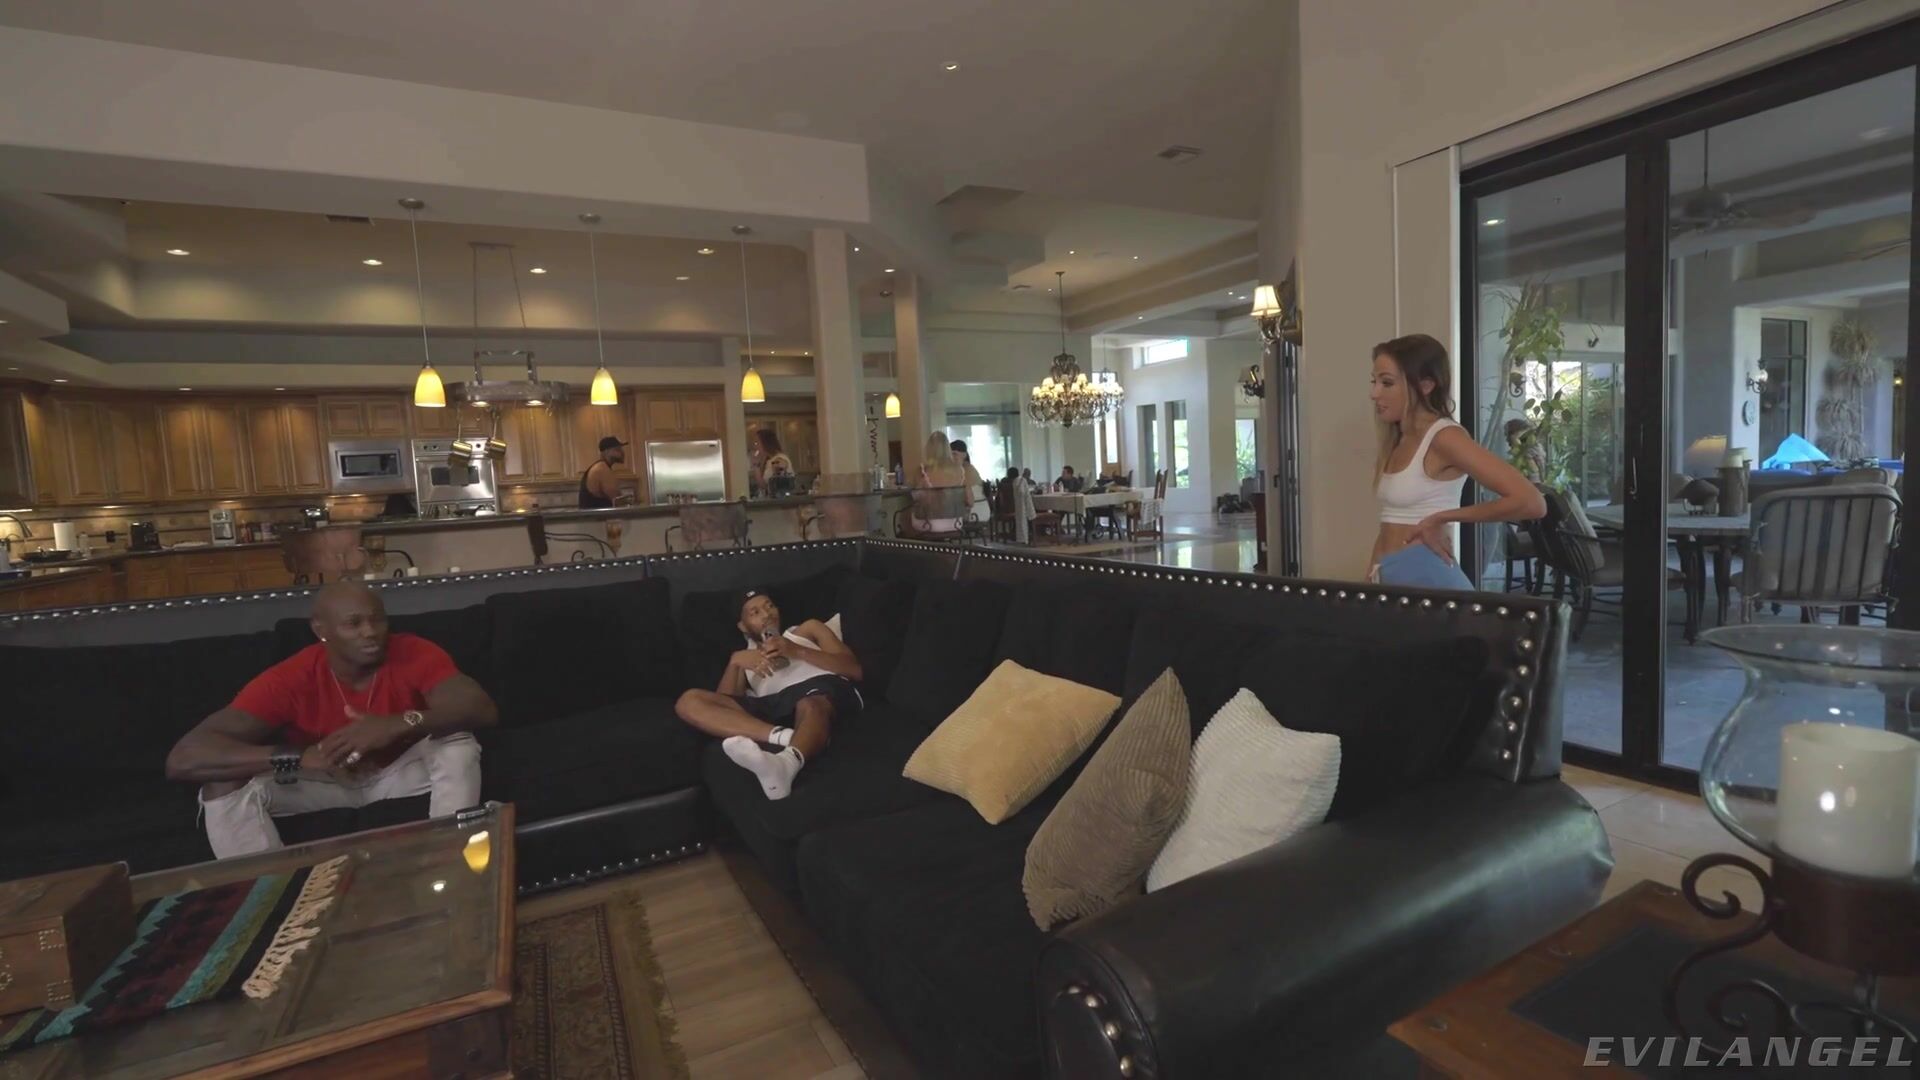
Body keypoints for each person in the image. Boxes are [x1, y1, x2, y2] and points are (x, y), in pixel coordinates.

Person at [165, 582, 497, 858]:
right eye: (353, 624)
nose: (370, 632)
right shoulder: (290, 678)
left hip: (397, 775)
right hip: (327, 780)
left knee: (457, 741)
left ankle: (449, 857)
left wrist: (398, 722)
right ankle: (269, 890)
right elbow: (183, 759)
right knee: (222, 784)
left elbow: (481, 708)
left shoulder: (413, 651)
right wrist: (299, 757)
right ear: (321, 631)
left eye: (378, 620)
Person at [1370, 333, 1545, 589]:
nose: (1374, 393)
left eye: (1387, 383)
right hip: (1390, 578)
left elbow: (1531, 502)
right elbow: (1389, 525)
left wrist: (1441, 518)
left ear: (1425, 385)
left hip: (1428, 580)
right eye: (1374, 381)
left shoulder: (1444, 437)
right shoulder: (1398, 438)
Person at [673, 589, 862, 800]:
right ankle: (789, 737)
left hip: (819, 689)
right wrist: (734, 663)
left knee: (810, 704)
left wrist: (797, 650)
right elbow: (721, 711)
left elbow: (854, 670)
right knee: (688, 701)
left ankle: (787, 763)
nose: (766, 614)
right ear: (743, 626)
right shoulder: (745, 659)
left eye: (769, 606)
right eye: (755, 612)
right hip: (775, 705)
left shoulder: (807, 630)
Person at [916, 433, 970, 531]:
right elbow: (970, 501)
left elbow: (917, 499)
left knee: (908, 514)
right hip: (956, 523)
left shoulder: (923, 471)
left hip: (930, 524)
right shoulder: (960, 471)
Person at [579, 436, 628, 509]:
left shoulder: (601, 467)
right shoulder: (602, 469)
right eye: (617, 449)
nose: (622, 452)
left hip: (593, 515)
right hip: (596, 516)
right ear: (607, 451)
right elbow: (618, 501)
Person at [950, 438, 989, 522]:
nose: (952, 457)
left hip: (975, 511)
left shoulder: (966, 470)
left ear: (964, 455)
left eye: (955, 454)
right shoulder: (963, 469)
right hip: (978, 508)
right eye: (950, 454)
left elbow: (966, 498)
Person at [751, 428, 796, 495]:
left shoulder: (779, 458)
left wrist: (780, 466)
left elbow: (783, 465)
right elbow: (763, 485)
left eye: (757, 442)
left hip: (781, 499)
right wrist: (756, 465)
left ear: (766, 443)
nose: (756, 446)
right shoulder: (769, 461)